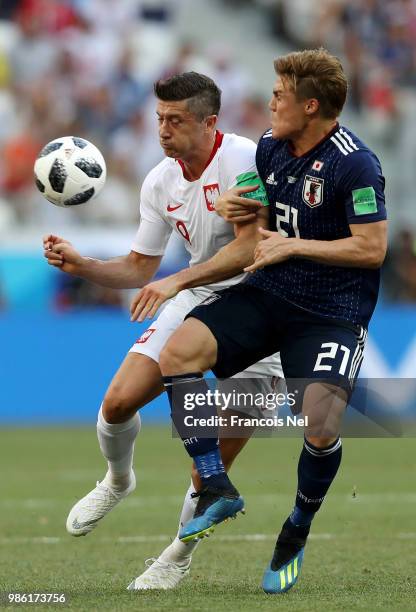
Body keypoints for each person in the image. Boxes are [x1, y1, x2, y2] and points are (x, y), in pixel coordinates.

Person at [158, 49, 387, 593]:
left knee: (320, 422)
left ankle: (298, 526)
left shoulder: (356, 164)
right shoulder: (270, 146)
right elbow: (263, 214)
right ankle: (215, 484)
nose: (270, 102)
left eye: (280, 95)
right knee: (178, 354)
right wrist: (243, 207)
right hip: (268, 294)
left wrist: (293, 246)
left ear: (310, 106)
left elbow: (372, 248)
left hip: (330, 312)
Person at [43, 71, 282, 590]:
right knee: (117, 403)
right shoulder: (159, 181)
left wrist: (175, 281)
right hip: (195, 299)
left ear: (209, 122)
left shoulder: (245, 160)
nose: (163, 130)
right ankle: (117, 479)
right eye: (159, 119)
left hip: (264, 309)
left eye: (175, 120)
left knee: (209, 470)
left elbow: (248, 248)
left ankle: (175, 556)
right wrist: (82, 265)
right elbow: (137, 267)